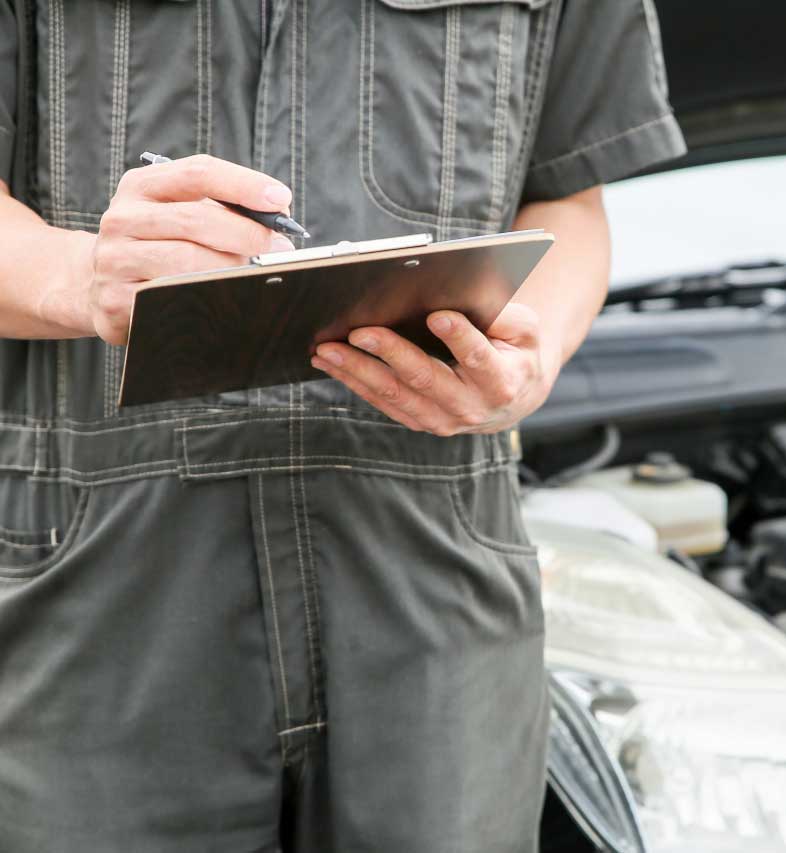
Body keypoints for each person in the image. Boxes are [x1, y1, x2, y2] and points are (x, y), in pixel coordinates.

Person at [0, 1, 685, 850]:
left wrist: (529, 356)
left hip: (437, 586)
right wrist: (80, 275)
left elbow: (569, 200)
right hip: (97, 577)